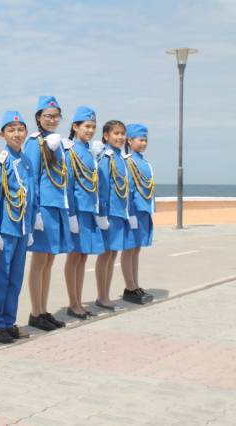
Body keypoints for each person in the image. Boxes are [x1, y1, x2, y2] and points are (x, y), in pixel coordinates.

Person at [0, 111, 36, 344]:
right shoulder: (0, 161)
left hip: (22, 228)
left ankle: (8, 321)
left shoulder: (26, 161)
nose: (17, 134)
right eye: (11, 130)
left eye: (20, 129)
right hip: (4, 229)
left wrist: (31, 224)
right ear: (2, 134)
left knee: (15, 279)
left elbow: (32, 194)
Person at [23, 96, 72, 331]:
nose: (52, 120)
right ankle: (35, 312)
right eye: (47, 116)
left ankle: (43, 310)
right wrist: (35, 212)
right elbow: (31, 178)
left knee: (49, 260)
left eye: (55, 116)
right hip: (43, 208)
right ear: (38, 118)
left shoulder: (58, 142)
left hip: (57, 206)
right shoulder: (34, 142)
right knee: (39, 260)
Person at [63, 106, 105, 319]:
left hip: (89, 210)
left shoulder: (89, 152)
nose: (90, 130)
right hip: (77, 211)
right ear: (75, 127)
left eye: (93, 127)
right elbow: (68, 185)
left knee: (83, 257)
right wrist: (71, 215)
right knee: (74, 257)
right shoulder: (70, 151)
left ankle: (78, 301)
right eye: (86, 126)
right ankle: (73, 303)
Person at [95, 120, 132, 310]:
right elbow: (102, 188)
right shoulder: (106, 157)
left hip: (119, 213)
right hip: (109, 214)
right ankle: (102, 296)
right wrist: (102, 215)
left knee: (112, 254)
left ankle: (106, 295)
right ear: (106, 136)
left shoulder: (120, 157)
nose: (120, 137)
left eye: (122, 133)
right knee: (105, 255)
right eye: (116, 133)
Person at [120, 123, 155, 304]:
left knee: (136, 249)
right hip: (133, 211)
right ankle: (129, 287)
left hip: (143, 211)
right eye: (140, 140)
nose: (144, 143)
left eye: (145, 140)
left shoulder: (144, 162)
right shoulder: (127, 162)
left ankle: (135, 284)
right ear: (130, 140)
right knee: (129, 249)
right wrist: (130, 213)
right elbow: (127, 190)